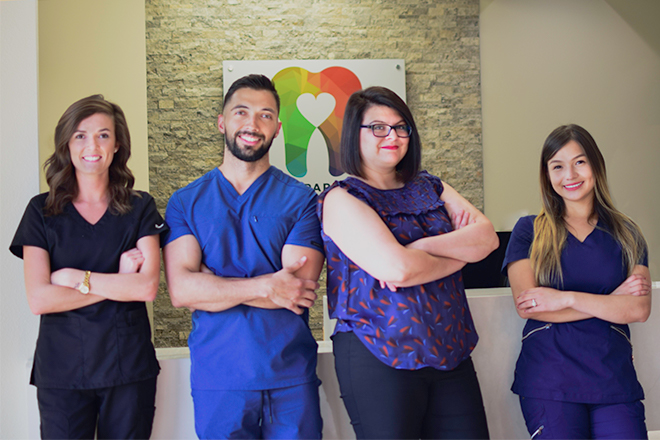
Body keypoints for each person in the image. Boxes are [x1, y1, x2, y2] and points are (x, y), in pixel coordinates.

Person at [318, 86, 498, 439]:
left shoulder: (431, 186)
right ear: (354, 134)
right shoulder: (342, 198)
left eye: (401, 127)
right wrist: (458, 256)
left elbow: (487, 239)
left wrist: (421, 246)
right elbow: (397, 269)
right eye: (378, 127)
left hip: (450, 347)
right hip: (378, 351)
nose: (393, 136)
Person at [163, 74, 325, 439]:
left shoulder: (300, 200)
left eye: (265, 115)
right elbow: (182, 292)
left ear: (278, 128)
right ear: (222, 121)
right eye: (241, 112)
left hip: (290, 375)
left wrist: (213, 285)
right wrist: (269, 284)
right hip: (218, 377)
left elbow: (297, 291)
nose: (252, 124)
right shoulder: (186, 202)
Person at [10, 95, 166, 439]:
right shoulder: (41, 212)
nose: (92, 145)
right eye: (80, 135)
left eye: (103, 135)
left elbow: (146, 288)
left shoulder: (140, 207)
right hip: (62, 371)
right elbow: (40, 300)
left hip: (127, 367)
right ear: (67, 144)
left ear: (117, 145)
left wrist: (74, 279)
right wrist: (117, 282)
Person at [502, 124, 651, 439]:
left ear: (596, 165)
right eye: (557, 166)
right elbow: (529, 305)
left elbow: (638, 309)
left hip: (613, 377)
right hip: (550, 379)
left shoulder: (627, 234)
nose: (569, 174)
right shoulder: (529, 231)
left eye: (580, 162)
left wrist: (564, 298)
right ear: (547, 174)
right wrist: (611, 301)